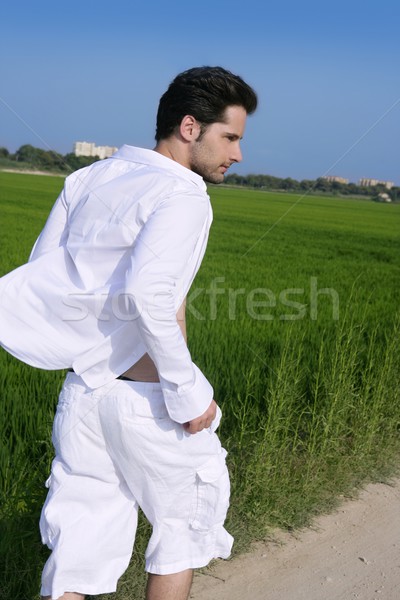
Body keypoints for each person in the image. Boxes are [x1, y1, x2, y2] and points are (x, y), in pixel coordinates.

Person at [0, 66, 257, 600]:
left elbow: (43, 272)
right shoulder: (184, 194)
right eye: (230, 136)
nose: (237, 153)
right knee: (182, 530)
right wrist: (187, 394)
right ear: (190, 127)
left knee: (79, 550)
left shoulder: (88, 178)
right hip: (148, 400)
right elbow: (151, 296)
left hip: (82, 395)